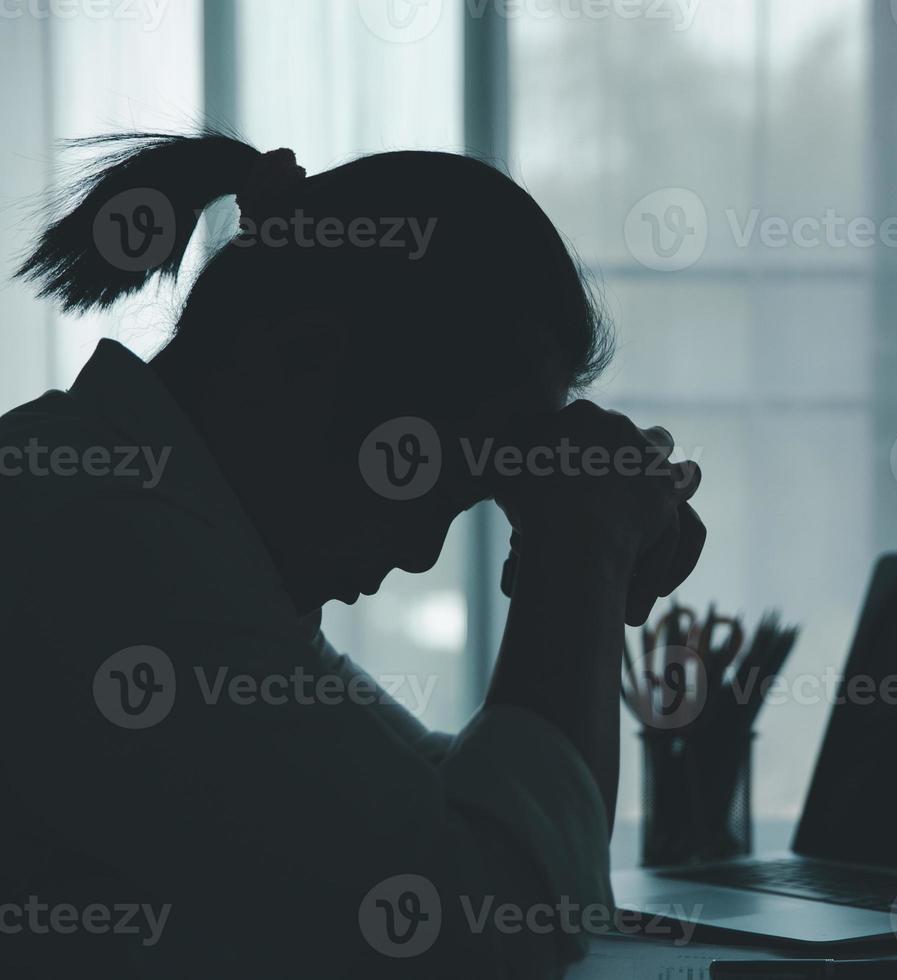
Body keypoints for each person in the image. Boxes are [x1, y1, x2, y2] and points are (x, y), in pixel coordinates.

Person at [0, 133, 705, 977]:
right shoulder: (96, 545)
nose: (417, 551)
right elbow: (498, 925)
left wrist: (581, 542)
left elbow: (433, 813)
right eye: (420, 473)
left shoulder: (158, 530)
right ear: (301, 358)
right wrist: (581, 549)